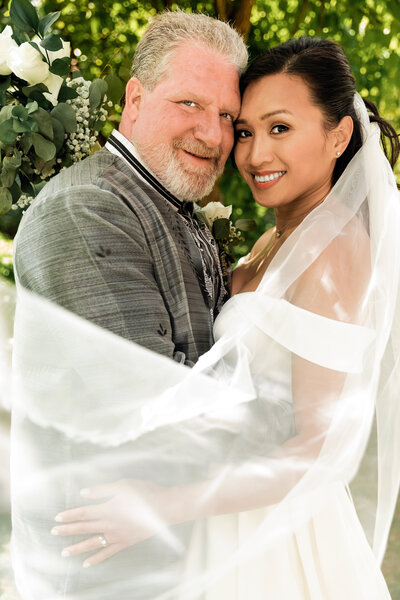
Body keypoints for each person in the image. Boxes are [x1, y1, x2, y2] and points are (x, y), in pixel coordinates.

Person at [41, 37, 400, 598]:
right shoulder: (272, 240)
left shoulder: (339, 252)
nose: (255, 155)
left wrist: (159, 505)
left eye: (280, 128)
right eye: (247, 130)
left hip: (274, 536)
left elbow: (315, 449)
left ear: (338, 136)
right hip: (222, 513)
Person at [10, 10, 247, 600]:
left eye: (226, 116)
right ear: (135, 100)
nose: (213, 135)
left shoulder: (165, 203)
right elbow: (156, 411)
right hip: (101, 569)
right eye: (189, 104)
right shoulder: (87, 207)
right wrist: (293, 428)